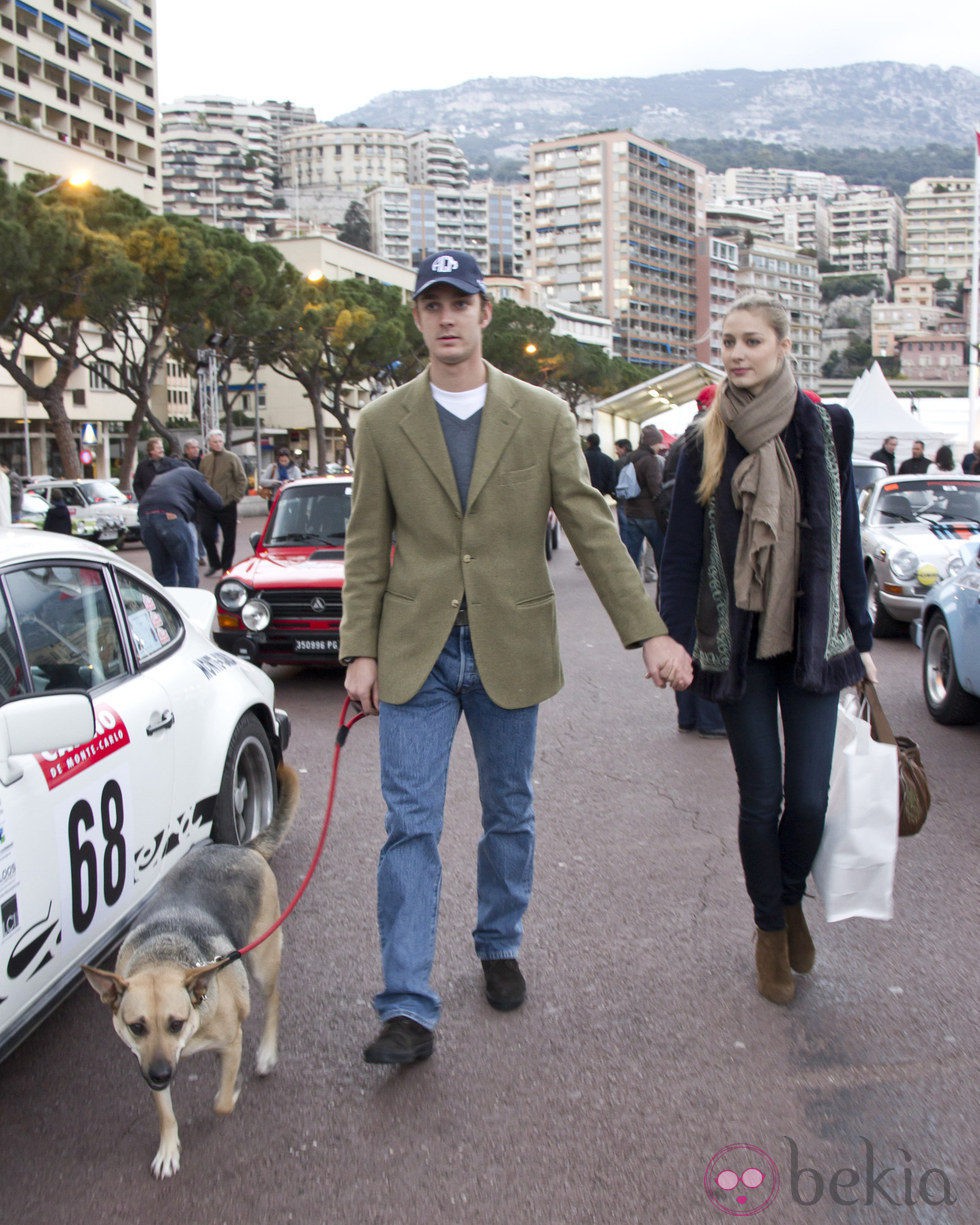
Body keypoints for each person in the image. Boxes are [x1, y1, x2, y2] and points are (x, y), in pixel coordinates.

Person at [340, 249, 693, 1066]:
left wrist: (650, 631)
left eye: (460, 301)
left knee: (510, 813)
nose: (447, 316)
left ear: (486, 312)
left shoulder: (540, 414)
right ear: (418, 317)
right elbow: (365, 546)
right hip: (414, 651)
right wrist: (358, 651)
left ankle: (498, 940)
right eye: (432, 303)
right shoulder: (382, 421)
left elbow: (591, 524)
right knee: (409, 826)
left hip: (510, 641)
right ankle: (406, 1006)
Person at [659, 293, 875, 1007]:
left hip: (814, 635)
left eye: (751, 340)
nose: (737, 353)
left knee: (810, 800)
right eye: (727, 342)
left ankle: (789, 902)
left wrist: (863, 636)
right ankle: (769, 929)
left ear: (784, 346)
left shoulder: (826, 426)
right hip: (739, 645)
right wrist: (668, 637)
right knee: (763, 800)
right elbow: (682, 553)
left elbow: (843, 534)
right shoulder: (703, 438)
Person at [661, 386, 727, 740]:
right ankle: (709, 717)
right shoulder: (704, 441)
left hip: (677, 538)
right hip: (702, 551)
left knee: (685, 633)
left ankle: (687, 714)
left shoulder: (679, 443)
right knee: (708, 635)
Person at [138, 464, 224, 587]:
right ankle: (188, 603)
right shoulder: (191, 473)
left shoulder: (161, 477)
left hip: (145, 518)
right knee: (187, 567)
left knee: (163, 572)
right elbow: (216, 501)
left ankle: (166, 603)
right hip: (170, 516)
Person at [199, 429, 247, 576]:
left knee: (229, 537)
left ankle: (226, 566)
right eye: (215, 442)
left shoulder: (232, 458)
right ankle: (214, 563)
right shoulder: (205, 459)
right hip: (208, 504)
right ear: (209, 443)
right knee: (206, 533)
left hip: (227, 504)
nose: (218, 444)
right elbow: (201, 479)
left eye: (220, 441)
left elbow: (241, 479)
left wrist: (235, 497)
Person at [621, 425, 666, 574]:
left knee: (632, 557)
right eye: (659, 443)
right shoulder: (650, 460)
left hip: (631, 511)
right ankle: (661, 586)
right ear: (653, 442)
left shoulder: (630, 457)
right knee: (661, 554)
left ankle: (631, 591)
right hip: (649, 515)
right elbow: (656, 489)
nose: (660, 446)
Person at [181, 438, 208, 564]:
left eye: (197, 447)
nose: (196, 450)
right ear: (186, 450)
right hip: (190, 501)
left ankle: (201, 553)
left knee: (202, 529)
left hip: (202, 501)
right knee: (192, 529)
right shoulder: (182, 463)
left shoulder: (204, 462)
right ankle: (197, 555)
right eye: (193, 447)